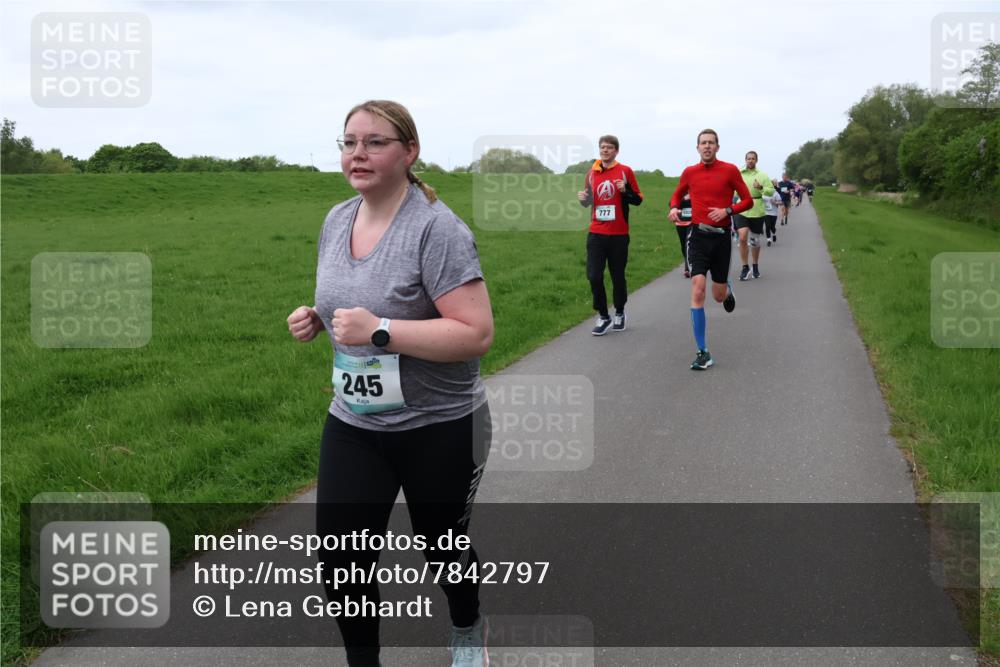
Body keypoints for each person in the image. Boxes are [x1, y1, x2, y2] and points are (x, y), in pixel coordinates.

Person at [287, 100, 493, 667]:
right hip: (355, 421)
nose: (358, 153)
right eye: (349, 142)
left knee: (442, 547)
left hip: (441, 424)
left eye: (375, 142)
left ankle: (467, 627)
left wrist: (380, 331)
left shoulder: (437, 229)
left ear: (409, 152)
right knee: (342, 561)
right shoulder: (337, 218)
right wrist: (316, 318)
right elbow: (350, 299)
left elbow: (476, 334)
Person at [668, 129, 753, 370]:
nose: (706, 146)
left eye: (711, 143)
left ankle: (727, 290)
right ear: (697, 147)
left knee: (717, 295)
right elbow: (677, 195)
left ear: (717, 147)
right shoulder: (690, 172)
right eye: (703, 143)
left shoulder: (730, 170)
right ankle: (703, 351)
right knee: (698, 289)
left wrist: (727, 211)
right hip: (697, 236)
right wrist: (674, 208)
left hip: (721, 237)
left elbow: (747, 200)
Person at [577, 135, 644, 335]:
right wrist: (583, 199)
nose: (605, 150)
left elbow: (638, 199)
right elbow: (589, 201)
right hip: (596, 233)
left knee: (617, 275)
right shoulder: (591, 173)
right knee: (594, 276)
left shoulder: (625, 171)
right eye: (602, 147)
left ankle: (620, 312)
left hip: (618, 234)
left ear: (616, 151)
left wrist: (625, 190)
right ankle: (604, 315)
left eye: (609, 147)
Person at [733, 151, 774, 280]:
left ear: (756, 160)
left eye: (753, 159)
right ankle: (745, 267)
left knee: (754, 241)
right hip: (741, 208)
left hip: (757, 209)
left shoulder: (762, 175)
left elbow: (771, 191)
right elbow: (732, 190)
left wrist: (760, 187)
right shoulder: (738, 174)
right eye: (748, 158)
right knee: (742, 237)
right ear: (745, 160)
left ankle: (755, 265)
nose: (750, 161)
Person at [675, 193, 694, 278]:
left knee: (688, 244)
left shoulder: (695, 192)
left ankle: (687, 268)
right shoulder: (680, 193)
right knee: (683, 246)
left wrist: (691, 198)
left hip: (692, 223)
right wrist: (683, 199)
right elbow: (672, 204)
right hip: (680, 223)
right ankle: (688, 263)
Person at [764, 181, 781, 245]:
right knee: (767, 226)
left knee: (772, 226)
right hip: (766, 212)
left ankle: (774, 234)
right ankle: (768, 240)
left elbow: (781, 202)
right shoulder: (763, 193)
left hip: (774, 213)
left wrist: (775, 202)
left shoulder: (775, 193)